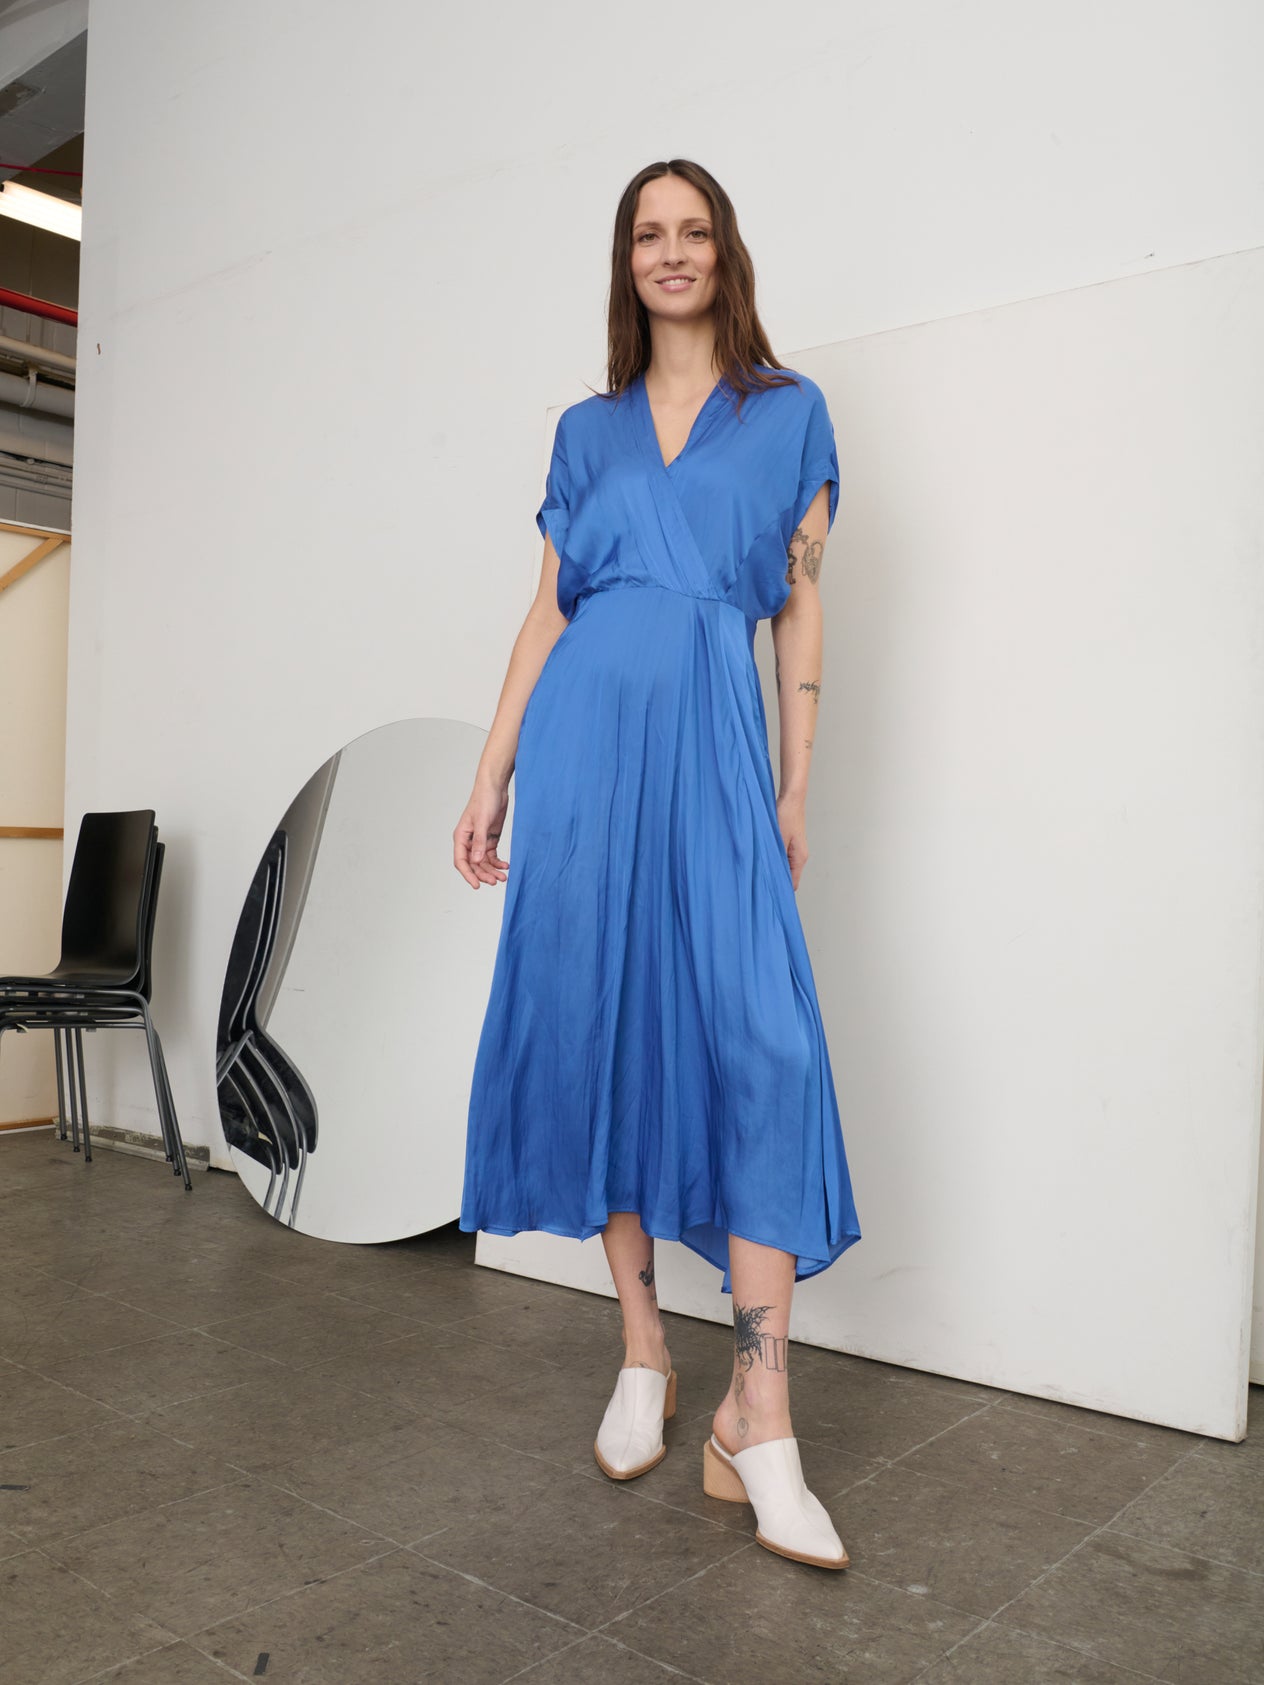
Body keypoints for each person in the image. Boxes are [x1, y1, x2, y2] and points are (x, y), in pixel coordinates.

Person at [453, 158, 861, 1571]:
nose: (672, 252)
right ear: (627, 262)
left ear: (724, 251)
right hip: (584, 764)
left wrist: (799, 778)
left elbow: (799, 612)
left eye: (694, 231)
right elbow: (546, 612)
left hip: (714, 759)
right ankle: (644, 1352)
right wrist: (493, 770)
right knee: (603, 1041)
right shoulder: (587, 429)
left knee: (765, 1052)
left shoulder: (788, 412)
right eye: (649, 234)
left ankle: (765, 1408)